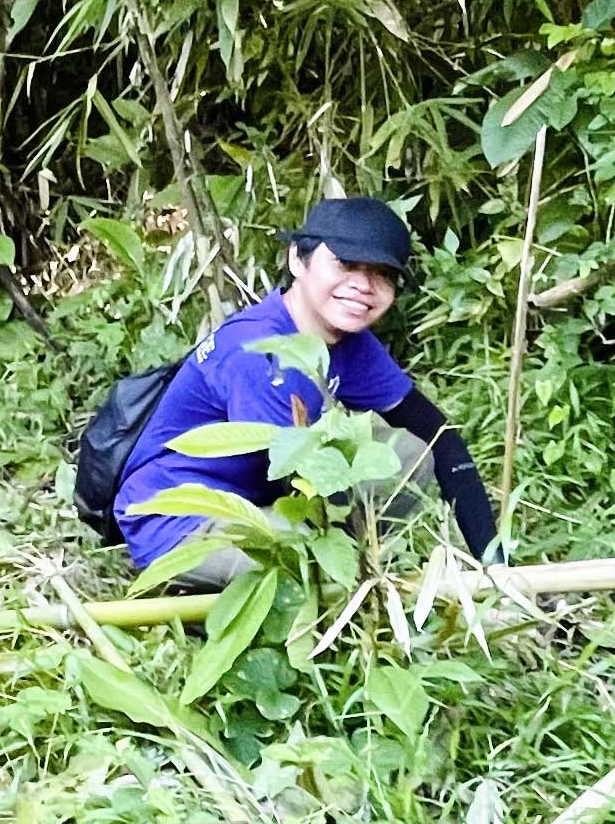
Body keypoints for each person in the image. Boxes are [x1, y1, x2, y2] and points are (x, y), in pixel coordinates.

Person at [112, 197, 500, 589]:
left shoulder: (348, 341)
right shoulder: (259, 350)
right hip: (180, 517)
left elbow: (439, 438)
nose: (363, 285)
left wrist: (496, 565)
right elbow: (300, 486)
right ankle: (221, 586)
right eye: (346, 264)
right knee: (303, 558)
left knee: (410, 456)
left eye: (382, 273)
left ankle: (338, 580)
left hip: (261, 498)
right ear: (298, 260)